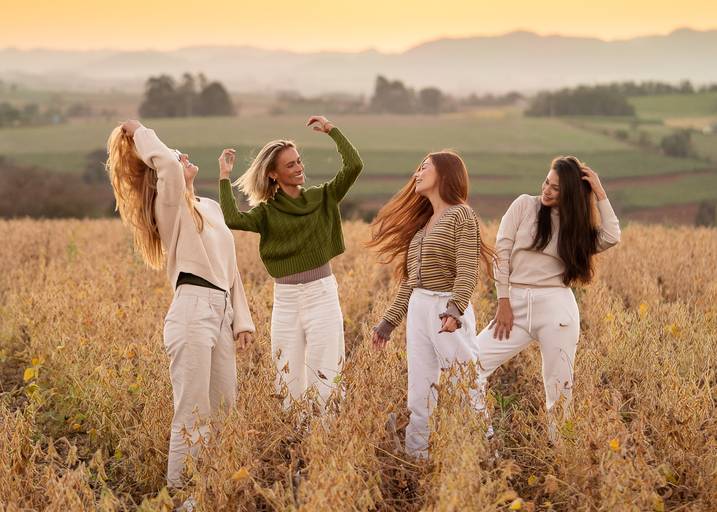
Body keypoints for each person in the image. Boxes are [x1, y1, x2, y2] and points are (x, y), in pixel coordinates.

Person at [106, 120, 255, 490]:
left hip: (221, 310)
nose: (182, 157)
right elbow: (169, 167)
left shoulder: (211, 208)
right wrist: (139, 131)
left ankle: (213, 491)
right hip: (192, 310)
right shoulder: (169, 207)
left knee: (224, 410)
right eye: (175, 155)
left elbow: (231, 268)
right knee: (192, 412)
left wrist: (242, 321)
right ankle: (182, 495)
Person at [218, 115, 362, 407]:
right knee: (287, 377)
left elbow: (354, 166)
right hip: (285, 299)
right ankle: (295, 432)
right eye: (290, 165)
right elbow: (232, 219)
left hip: (321, 293)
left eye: (299, 161)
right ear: (273, 174)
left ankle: (327, 431)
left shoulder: (323, 197)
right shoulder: (266, 213)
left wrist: (332, 131)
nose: (299, 168)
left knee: (326, 372)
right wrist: (224, 176)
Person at [476, 156, 621, 440]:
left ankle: (562, 452)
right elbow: (501, 254)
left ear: (571, 194)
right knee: (471, 367)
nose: (547, 190)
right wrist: (503, 301)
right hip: (514, 306)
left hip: (556, 310)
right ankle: (484, 439)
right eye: (546, 182)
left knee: (559, 391)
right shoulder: (523, 205)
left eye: (556, 188)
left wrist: (599, 191)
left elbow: (611, 235)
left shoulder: (575, 228)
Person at [368, 151, 494, 458]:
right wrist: (388, 323)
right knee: (419, 389)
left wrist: (455, 309)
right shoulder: (423, 225)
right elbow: (410, 282)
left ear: (445, 174)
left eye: (425, 168)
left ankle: (485, 455)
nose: (417, 173)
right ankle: (417, 456)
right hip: (419, 309)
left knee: (466, 384)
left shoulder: (461, 215)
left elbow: (467, 269)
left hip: (446, 308)